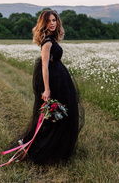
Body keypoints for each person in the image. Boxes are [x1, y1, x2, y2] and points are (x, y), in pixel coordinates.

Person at [13, 9, 83, 164]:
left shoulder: (52, 39)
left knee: (61, 115)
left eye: (54, 20)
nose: (52, 23)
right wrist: (47, 89)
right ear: (43, 23)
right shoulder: (47, 42)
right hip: (53, 83)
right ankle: (37, 149)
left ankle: (57, 149)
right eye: (49, 21)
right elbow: (44, 67)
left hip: (59, 80)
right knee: (53, 117)